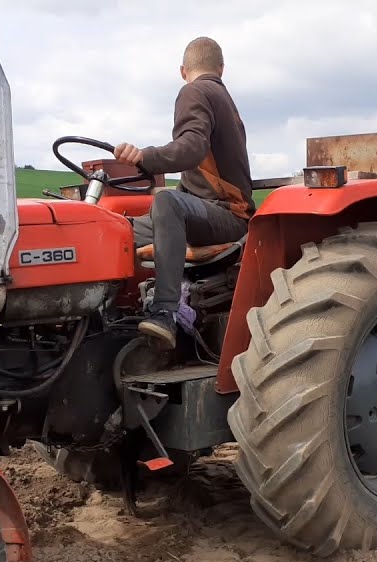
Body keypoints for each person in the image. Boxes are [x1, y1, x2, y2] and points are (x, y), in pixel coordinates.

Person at [114, 36, 255, 349]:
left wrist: (144, 156)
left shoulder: (195, 91)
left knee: (167, 202)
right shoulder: (223, 99)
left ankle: (166, 309)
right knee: (113, 228)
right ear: (221, 68)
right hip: (206, 213)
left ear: (182, 70)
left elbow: (190, 148)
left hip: (227, 216)